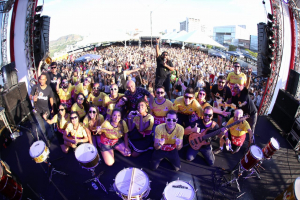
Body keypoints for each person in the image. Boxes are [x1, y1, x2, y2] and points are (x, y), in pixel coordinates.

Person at [30, 73, 54, 146]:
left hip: (46, 110)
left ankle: (53, 134)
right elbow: (30, 96)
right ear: (39, 80)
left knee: (49, 124)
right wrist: (32, 97)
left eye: (43, 79)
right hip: (37, 110)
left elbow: (51, 98)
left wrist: (52, 108)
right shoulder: (35, 87)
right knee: (42, 127)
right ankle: (47, 139)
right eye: (41, 79)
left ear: (46, 79)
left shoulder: (49, 88)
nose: (42, 81)